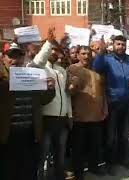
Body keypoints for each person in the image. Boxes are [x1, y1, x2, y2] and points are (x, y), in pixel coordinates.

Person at [0, 42, 56, 180]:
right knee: (8, 171)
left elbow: (43, 100)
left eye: (18, 57)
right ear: (3, 58)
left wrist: (50, 88)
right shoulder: (1, 79)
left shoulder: (31, 77)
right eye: (10, 56)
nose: (14, 60)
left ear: (23, 59)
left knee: (29, 171)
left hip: (30, 134)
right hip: (7, 136)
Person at [27, 28, 73, 180]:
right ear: (45, 51)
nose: (54, 52)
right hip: (46, 119)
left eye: (55, 50)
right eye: (51, 50)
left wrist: (69, 115)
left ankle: (59, 176)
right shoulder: (38, 69)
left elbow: (66, 95)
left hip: (62, 119)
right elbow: (37, 63)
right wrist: (49, 43)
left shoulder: (61, 70)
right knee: (43, 155)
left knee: (60, 153)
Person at [93, 35, 129, 175]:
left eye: (123, 44)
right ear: (113, 45)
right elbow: (96, 67)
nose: (121, 47)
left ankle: (123, 159)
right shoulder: (107, 60)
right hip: (112, 104)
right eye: (118, 44)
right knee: (111, 137)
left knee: (124, 135)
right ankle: (110, 163)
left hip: (126, 103)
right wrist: (101, 51)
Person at [67, 46, 108, 180]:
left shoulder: (96, 72)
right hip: (79, 116)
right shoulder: (72, 69)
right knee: (78, 148)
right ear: (77, 55)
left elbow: (102, 93)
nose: (86, 56)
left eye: (88, 54)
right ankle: (78, 173)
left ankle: (94, 167)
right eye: (83, 54)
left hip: (96, 116)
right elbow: (69, 92)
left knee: (94, 146)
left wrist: (104, 108)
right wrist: (73, 86)